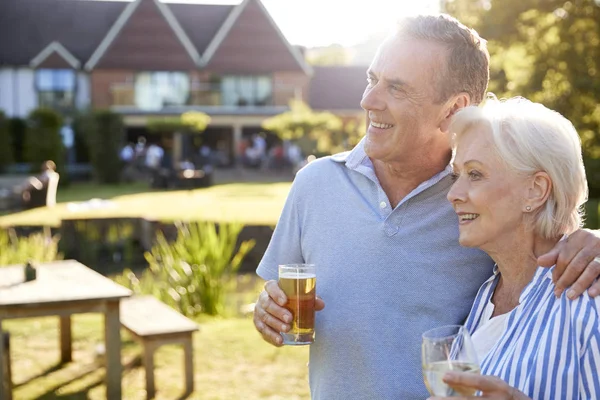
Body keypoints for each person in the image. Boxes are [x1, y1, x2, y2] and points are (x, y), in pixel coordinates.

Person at [253, 14, 600, 399]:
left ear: (453, 109)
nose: (368, 100)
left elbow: (553, 246)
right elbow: (278, 298)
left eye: (396, 88)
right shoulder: (315, 184)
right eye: (372, 80)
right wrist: (268, 309)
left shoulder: (483, 210)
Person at [428, 98, 600, 399]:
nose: (453, 194)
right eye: (458, 175)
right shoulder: (486, 296)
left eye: (475, 174)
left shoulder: (588, 304)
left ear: (535, 190)